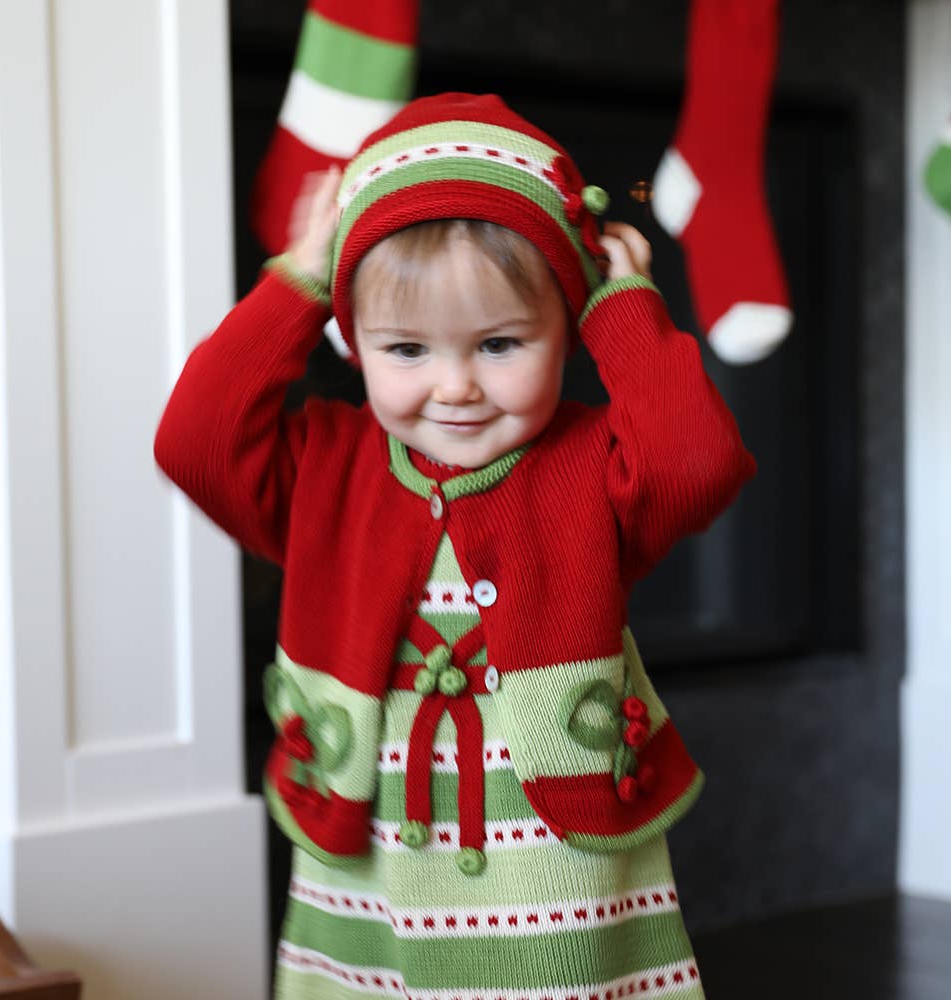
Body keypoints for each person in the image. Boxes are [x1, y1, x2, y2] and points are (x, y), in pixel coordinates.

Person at [154, 92, 755, 1000]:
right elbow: (193, 442)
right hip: (369, 860)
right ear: (352, 345)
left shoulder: (590, 463)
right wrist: (297, 282)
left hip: (557, 870)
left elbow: (697, 463)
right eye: (406, 350)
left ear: (568, 328)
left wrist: (626, 309)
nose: (456, 388)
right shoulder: (326, 463)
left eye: (501, 343)